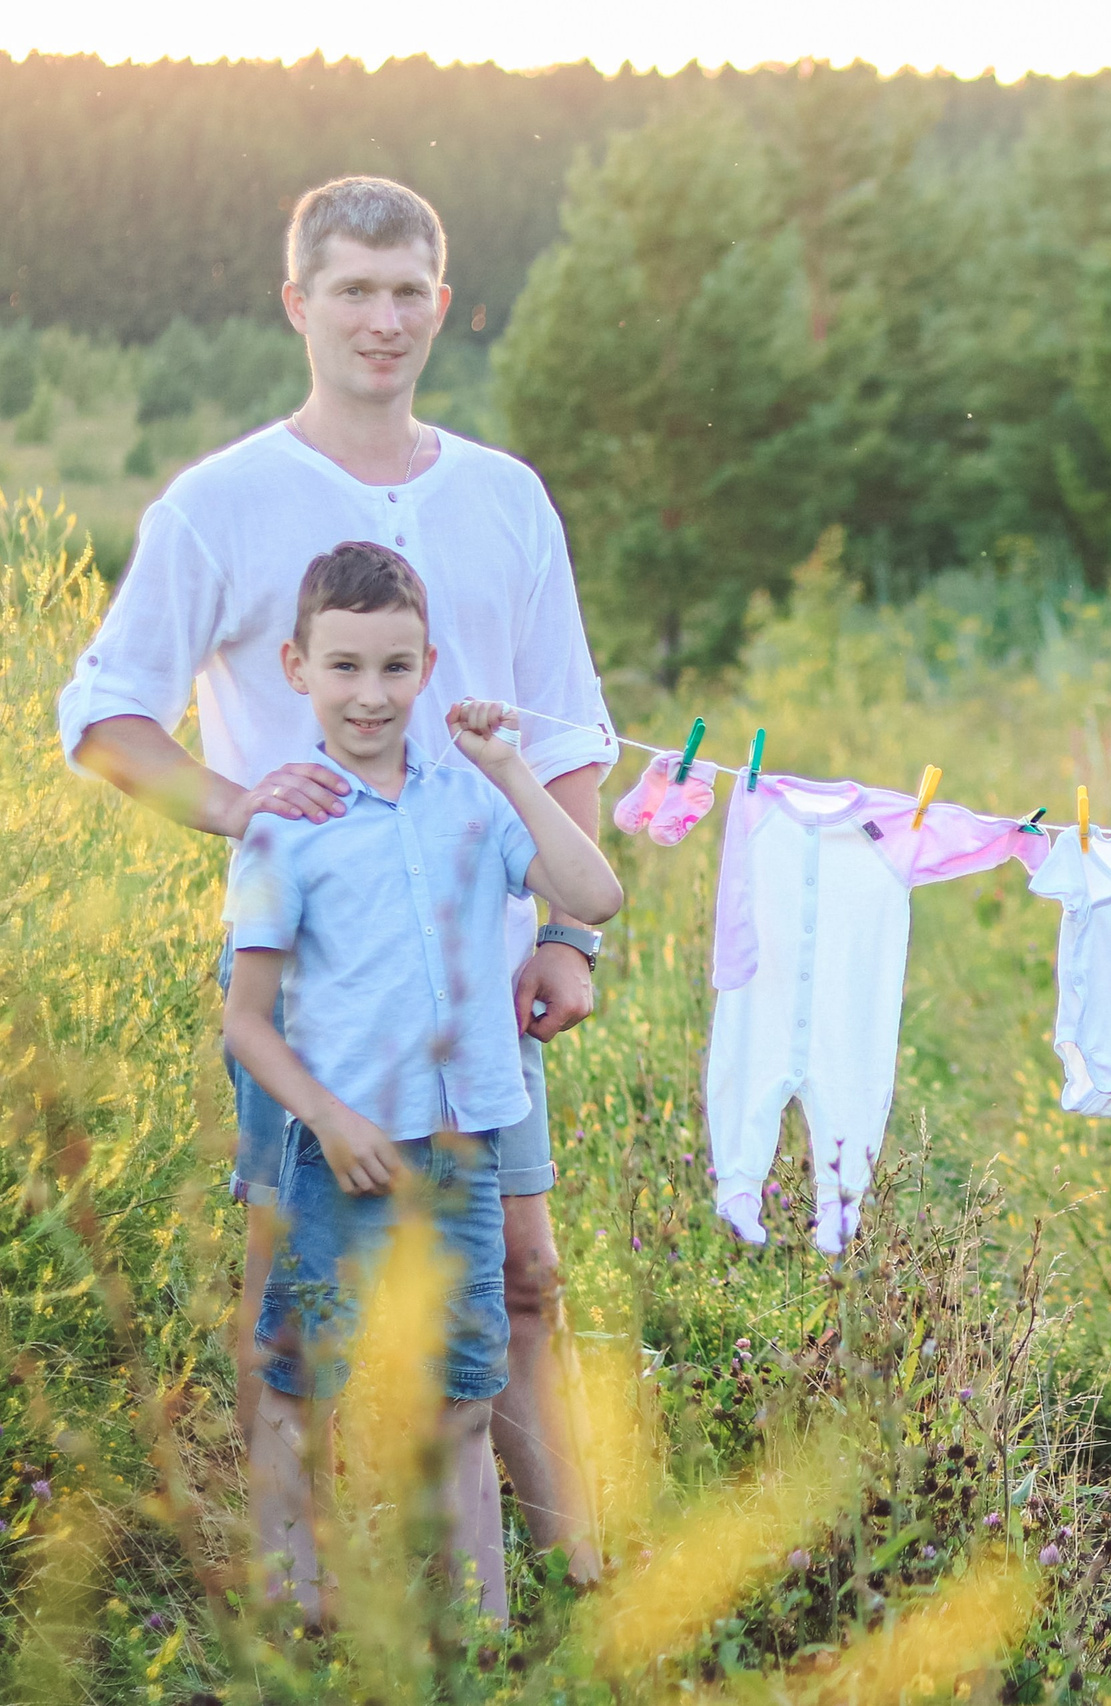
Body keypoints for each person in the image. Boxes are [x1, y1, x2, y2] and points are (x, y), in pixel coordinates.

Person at [55, 177, 615, 1575]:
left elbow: (565, 720)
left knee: (526, 1281)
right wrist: (243, 801)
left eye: (408, 288)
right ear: (298, 303)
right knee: (292, 1301)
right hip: (316, 998)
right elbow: (104, 718)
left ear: (444, 300)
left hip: (485, 989)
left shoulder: (503, 496)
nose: (383, 317)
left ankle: (581, 1582)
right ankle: (295, 1591)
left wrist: (567, 936)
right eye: (353, 289)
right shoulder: (221, 504)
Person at [226, 542, 622, 1621]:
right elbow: (247, 1022)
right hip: (337, 1155)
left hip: (461, 1155)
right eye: (345, 666)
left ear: (428, 666)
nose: (371, 693)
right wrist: (329, 1116)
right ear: (296, 666)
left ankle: (479, 1635)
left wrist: (510, 768)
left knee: (461, 1391)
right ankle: (293, 1613)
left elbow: (597, 888)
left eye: (395, 668)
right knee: (301, 1381)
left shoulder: (473, 805)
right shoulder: (283, 826)